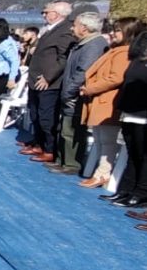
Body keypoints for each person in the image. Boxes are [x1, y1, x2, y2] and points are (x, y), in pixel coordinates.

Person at [80, 18, 144, 189]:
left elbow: (115, 77)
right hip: (102, 100)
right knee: (100, 138)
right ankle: (100, 172)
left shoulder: (124, 53)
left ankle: (102, 174)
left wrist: (90, 88)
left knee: (107, 140)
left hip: (109, 102)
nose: (112, 33)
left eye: (117, 30)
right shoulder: (115, 50)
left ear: (128, 33)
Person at [47, 12, 107, 176]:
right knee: (65, 128)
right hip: (71, 93)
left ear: (85, 28)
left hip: (77, 95)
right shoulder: (82, 44)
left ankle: (71, 164)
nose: (72, 28)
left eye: (75, 25)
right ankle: (62, 160)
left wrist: (69, 91)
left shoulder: (94, 45)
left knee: (71, 129)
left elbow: (83, 72)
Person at [22, 1, 75, 164]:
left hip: (49, 83)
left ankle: (50, 149)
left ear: (57, 14)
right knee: (35, 114)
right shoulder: (49, 30)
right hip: (35, 80)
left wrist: (48, 77)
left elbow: (63, 58)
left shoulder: (65, 30)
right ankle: (39, 143)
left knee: (47, 117)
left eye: (46, 12)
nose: (44, 15)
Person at [108, 32, 147, 208]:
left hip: (143, 114)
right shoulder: (137, 61)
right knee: (133, 154)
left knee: (143, 155)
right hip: (130, 111)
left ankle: (141, 192)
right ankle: (127, 188)